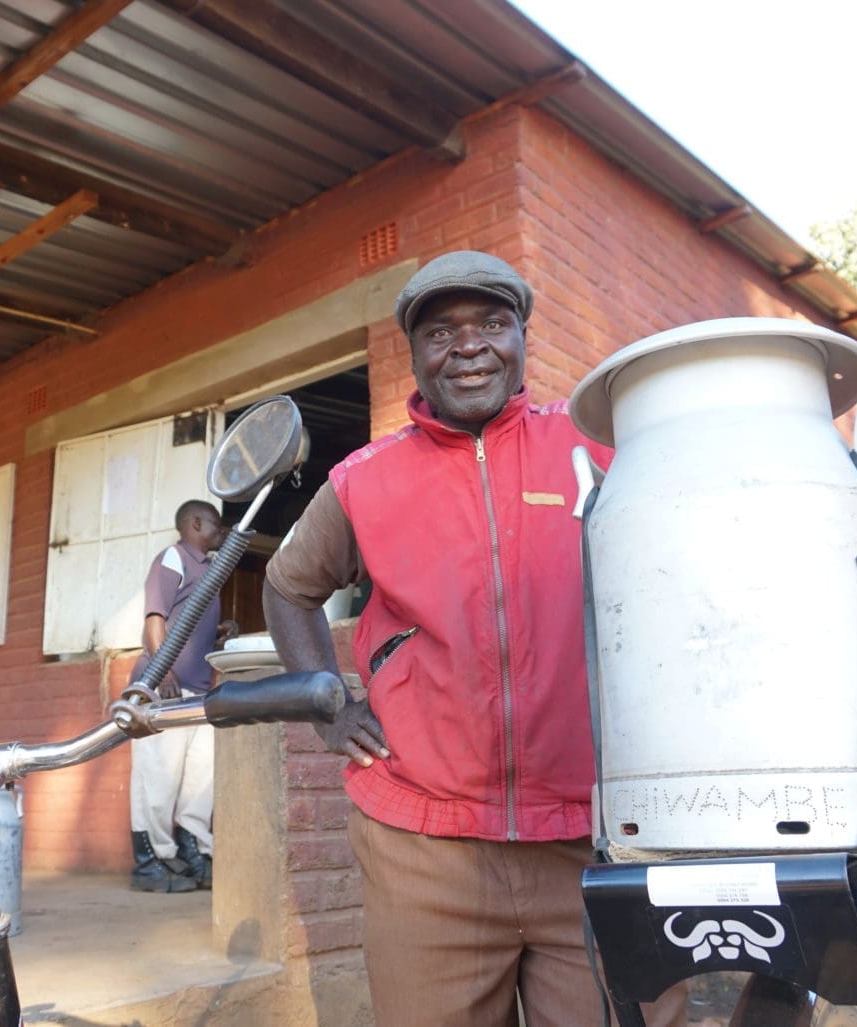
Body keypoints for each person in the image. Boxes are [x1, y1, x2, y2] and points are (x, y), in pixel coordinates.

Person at [262, 251, 685, 1025]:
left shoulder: (598, 447)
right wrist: (330, 707)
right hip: (426, 846)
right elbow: (286, 588)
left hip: (594, 837)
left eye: (493, 323)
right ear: (414, 356)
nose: (469, 346)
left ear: (523, 335)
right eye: (441, 331)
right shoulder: (363, 478)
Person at [128, 499, 235, 893]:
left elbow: (186, 620)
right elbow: (155, 618)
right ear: (194, 524)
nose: (221, 532)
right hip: (165, 686)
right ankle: (150, 861)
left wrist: (218, 631)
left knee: (199, 778)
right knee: (159, 776)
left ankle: (193, 851)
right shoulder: (172, 558)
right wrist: (164, 670)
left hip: (198, 690)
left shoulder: (208, 570)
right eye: (216, 525)